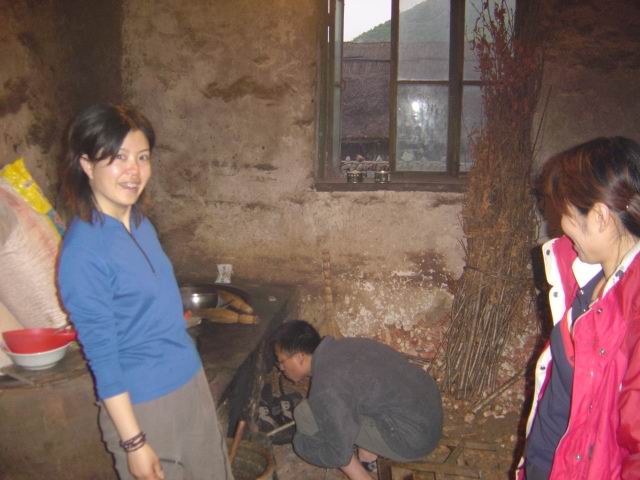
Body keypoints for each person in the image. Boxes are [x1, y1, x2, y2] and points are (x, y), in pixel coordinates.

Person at [57, 104, 234, 480]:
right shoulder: (82, 252)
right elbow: (103, 358)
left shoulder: (140, 222)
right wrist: (134, 443)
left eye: (142, 157)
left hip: (189, 382)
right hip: (145, 405)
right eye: (119, 157)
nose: (134, 171)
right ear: (86, 164)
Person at [521, 137, 640, 479]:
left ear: (600, 216)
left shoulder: (632, 314)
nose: (560, 226)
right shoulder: (587, 282)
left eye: (568, 214)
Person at [270, 320, 443, 480]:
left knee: (305, 414)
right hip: (429, 411)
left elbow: (339, 454)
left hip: (413, 439)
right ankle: (368, 453)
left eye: (282, 362)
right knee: (351, 400)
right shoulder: (345, 346)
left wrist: (300, 444)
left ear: (299, 357)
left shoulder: (325, 387)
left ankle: (362, 477)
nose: (281, 368)